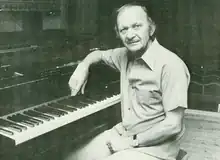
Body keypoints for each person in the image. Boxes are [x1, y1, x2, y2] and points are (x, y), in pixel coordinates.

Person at [67, 2, 190, 160]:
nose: (130, 35)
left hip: (156, 147)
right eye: (124, 29)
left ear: (150, 28)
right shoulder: (123, 55)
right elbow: (97, 54)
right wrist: (83, 66)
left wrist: (131, 142)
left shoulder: (171, 66)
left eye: (137, 26)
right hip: (124, 133)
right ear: (118, 33)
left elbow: (173, 125)